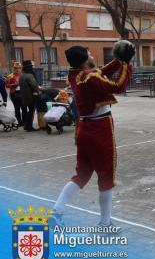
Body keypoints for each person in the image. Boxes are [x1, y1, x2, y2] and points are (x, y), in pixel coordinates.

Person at [51, 41, 135, 228]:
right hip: (100, 129)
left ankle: (56, 211)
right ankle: (105, 224)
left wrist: (118, 60)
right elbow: (119, 86)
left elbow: (100, 72)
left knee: (81, 175)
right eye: (89, 54)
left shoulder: (76, 75)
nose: (91, 56)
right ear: (83, 61)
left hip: (84, 129)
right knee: (106, 177)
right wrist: (126, 64)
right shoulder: (89, 78)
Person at [19, 60, 40, 131]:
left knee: (29, 111)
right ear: (28, 68)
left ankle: (26, 125)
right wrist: (38, 91)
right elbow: (34, 85)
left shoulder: (21, 75)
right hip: (31, 96)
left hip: (24, 96)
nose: (32, 68)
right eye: (30, 67)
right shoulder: (30, 75)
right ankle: (29, 126)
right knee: (31, 111)